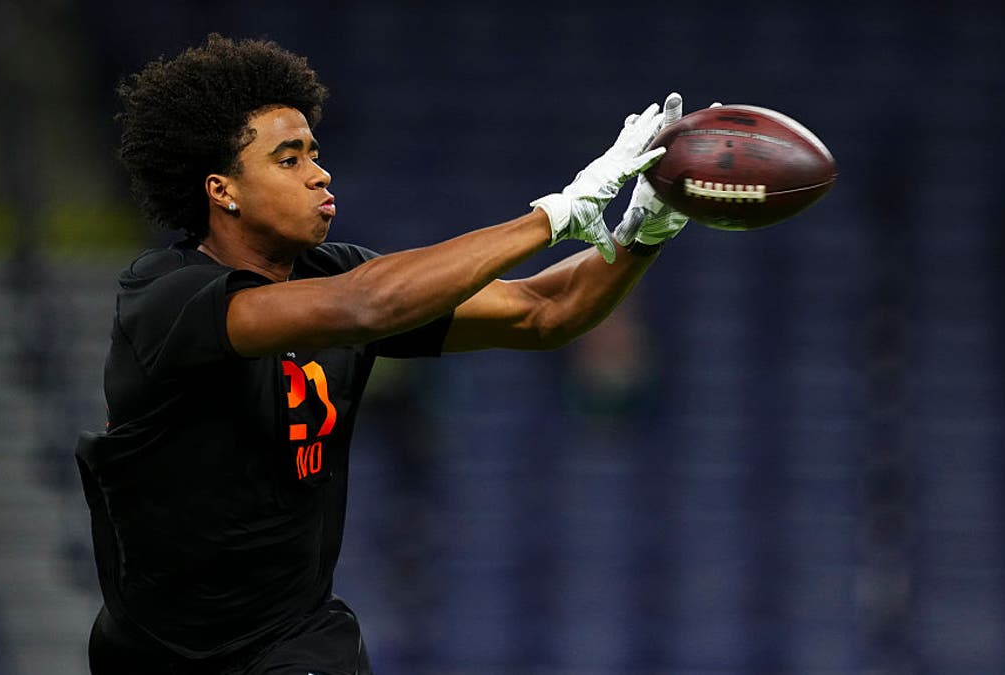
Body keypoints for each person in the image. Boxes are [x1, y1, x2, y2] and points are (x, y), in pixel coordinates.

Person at [77, 33, 694, 675]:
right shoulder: (168, 298)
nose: (320, 173)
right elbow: (362, 307)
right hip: (153, 651)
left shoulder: (335, 271)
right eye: (288, 160)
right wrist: (555, 214)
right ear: (221, 190)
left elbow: (544, 312)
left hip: (292, 641)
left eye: (314, 153)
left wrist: (638, 233)